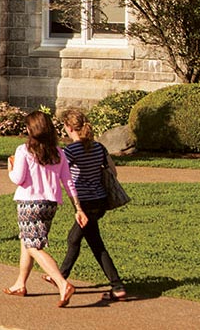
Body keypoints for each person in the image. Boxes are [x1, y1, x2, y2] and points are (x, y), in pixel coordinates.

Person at [5, 110, 82, 306]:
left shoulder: (24, 150)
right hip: (50, 204)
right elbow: (68, 181)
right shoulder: (58, 152)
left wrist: (10, 168)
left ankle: (62, 283)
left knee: (33, 246)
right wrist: (77, 208)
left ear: (32, 129)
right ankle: (20, 284)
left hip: (29, 203)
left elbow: (18, 179)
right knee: (27, 241)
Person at [53, 108, 130, 302]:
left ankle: (61, 278)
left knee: (79, 241)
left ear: (69, 128)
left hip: (85, 203)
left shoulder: (70, 150)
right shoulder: (99, 148)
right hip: (100, 200)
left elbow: (59, 171)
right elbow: (113, 171)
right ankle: (115, 285)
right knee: (88, 241)